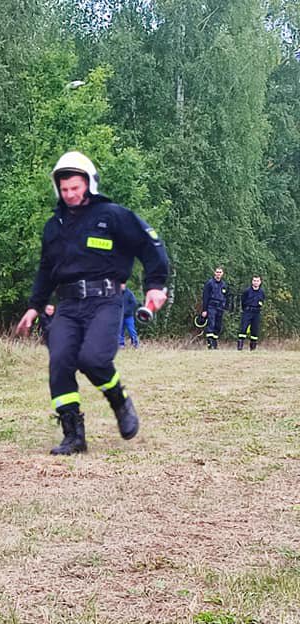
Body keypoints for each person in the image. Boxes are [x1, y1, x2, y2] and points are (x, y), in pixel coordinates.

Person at [15, 151, 169, 455]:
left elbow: (150, 245)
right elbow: (45, 270)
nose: (70, 194)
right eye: (64, 189)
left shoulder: (113, 215)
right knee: (59, 363)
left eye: (75, 187)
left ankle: (120, 401)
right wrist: (34, 306)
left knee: (93, 359)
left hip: (106, 300)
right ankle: (73, 434)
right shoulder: (53, 227)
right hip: (68, 305)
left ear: (89, 183)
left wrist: (155, 285)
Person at [201, 267, 228, 349]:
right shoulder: (209, 283)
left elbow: (226, 296)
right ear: (214, 273)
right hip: (211, 306)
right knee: (211, 324)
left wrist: (225, 306)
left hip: (220, 307)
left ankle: (215, 343)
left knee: (218, 326)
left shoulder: (224, 284)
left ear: (222, 273)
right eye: (217, 272)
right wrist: (204, 310)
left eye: (220, 272)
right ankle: (210, 344)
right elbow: (205, 297)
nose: (218, 274)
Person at [238, 275, 265, 351]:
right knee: (243, 329)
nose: (256, 282)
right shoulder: (247, 291)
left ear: (260, 282)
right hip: (247, 311)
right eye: (254, 281)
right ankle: (240, 347)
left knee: (255, 330)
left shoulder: (262, 292)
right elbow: (243, 301)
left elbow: (262, 301)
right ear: (252, 282)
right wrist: (245, 309)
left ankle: (253, 348)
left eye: (257, 281)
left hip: (257, 312)